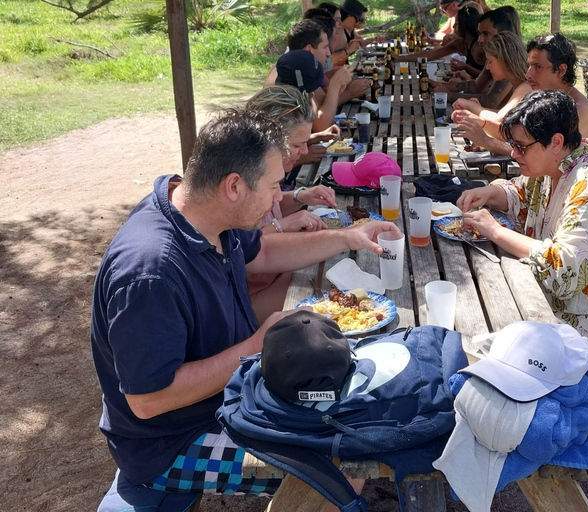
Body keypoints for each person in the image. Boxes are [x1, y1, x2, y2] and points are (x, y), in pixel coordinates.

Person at [92, 108, 398, 511]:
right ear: (234, 185)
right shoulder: (150, 271)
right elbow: (148, 400)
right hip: (169, 444)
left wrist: (347, 237)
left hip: (230, 396)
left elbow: (265, 252)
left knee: (354, 416)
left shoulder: (208, 212)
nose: (279, 199)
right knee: (342, 466)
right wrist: (256, 344)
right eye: (274, 186)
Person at [457, 90, 588, 360]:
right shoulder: (557, 165)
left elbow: (563, 273)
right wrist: (489, 194)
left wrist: (495, 231)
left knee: (488, 340)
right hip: (572, 306)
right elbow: (522, 196)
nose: (514, 154)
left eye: (521, 146)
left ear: (555, 142)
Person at [244, 85, 339, 322]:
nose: (305, 151)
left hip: (279, 273)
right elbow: (243, 254)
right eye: (298, 145)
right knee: (333, 308)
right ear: (269, 141)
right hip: (252, 300)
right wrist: (283, 225)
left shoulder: (266, 172)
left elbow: (271, 208)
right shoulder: (242, 180)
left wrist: (300, 196)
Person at [451, 32, 533, 156]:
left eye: (490, 61)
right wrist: (480, 110)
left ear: (504, 61)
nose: (488, 68)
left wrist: (471, 107)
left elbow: (499, 121)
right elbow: (507, 116)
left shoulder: (526, 87)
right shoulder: (517, 84)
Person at [430, 7, 519, 109]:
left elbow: (491, 101)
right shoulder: (494, 55)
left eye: (486, 34)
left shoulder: (509, 57)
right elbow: (475, 87)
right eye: (479, 34)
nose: (480, 40)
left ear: (503, 32)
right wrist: (438, 85)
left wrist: (449, 95)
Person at [525, 33, 588, 139]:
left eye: (538, 67)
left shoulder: (577, 108)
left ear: (561, 70)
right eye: (529, 66)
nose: (528, 75)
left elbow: (542, 151)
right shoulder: (546, 98)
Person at [275, 49, 355, 131]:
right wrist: (335, 85)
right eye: (325, 46)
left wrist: (338, 90)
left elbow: (323, 102)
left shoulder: (308, 90)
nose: (328, 53)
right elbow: (321, 126)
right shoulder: (288, 102)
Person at [394, 4, 484, 71]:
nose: (453, 28)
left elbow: (488, 78)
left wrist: (466, 68)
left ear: (465, 26)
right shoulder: (460, 43)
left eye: (456, 25)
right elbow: (432, 54)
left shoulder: (481, 46)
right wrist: (400, 58)